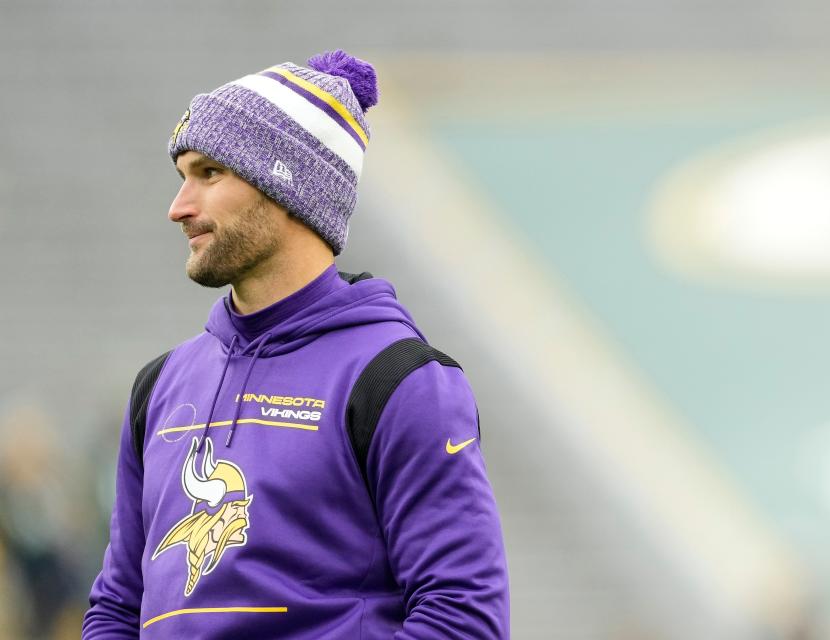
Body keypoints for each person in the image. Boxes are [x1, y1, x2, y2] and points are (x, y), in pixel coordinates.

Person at [81, 49, 509, 639]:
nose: (179, 207)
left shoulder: (399, 380)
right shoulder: (159, 386)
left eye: (208, 174)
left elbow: (462, 618)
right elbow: (116, 607)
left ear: (285, 186)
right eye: (182, 177)